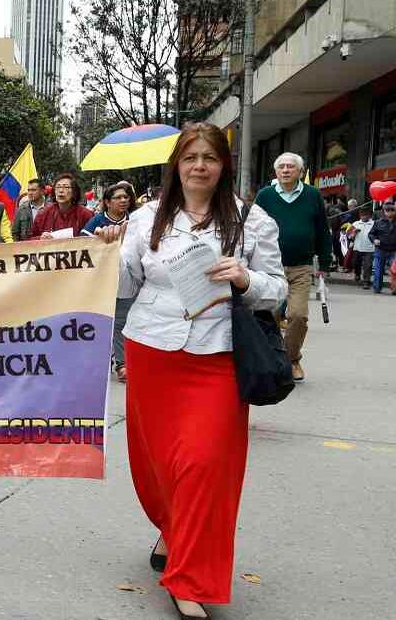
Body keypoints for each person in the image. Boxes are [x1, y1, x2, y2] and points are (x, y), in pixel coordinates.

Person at [95, 122, 286, 620]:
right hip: (152, 352)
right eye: (190, 158)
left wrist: (246, 279)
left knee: (205, 465)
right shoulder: (145, 219)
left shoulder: (252, 219)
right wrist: (109, 253)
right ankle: (173, 529)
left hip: (218, 356)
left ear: (224, 165)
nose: (199, 166)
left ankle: (189, 579)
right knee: (158, 466)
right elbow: (125, 287)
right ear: (176, 166)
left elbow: (278, 288)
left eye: (209, 158)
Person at [254, 152, 332, 382]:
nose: (286, 170)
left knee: (298, 316)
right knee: (271, 317)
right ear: (276, 172)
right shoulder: (265, 196)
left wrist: (325, 262)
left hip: (301, 267)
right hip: (270, 266)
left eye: (291, 166)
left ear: (300, 171)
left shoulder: (312, 195)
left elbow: (322, 230)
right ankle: (272, 360)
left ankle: (291, 359)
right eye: (282, 167)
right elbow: (252, 227)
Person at [82, 181, 137, 383]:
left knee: (122, 322)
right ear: (106, 202)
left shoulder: (135, 221)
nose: (123, 201)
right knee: (100, 322)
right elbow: (84, 247)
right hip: (100, 281)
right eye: (118, 197)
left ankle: (122, 364)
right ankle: (98, 363)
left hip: (128, 280)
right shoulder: (95, 221)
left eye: (126, 197)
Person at [32, 174, 94, 239]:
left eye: (66, 187)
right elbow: (29, 240)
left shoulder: (86, 214)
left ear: (74, 192)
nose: (61, 191)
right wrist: (40, 238)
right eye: (58, 187)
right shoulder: (43, 213)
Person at [368, 202, 396, 294]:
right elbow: (371, 234)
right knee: (378, 271)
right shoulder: (378, 222)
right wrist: (374, 240)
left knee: (394, 271)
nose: (390, 212)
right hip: (380, 250)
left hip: (393, 251)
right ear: (384, 211)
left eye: (392, 210)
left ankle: (394, 289)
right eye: (387, 210)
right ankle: (377, 287)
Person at [349, 207, 375, 288]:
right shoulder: (355, 224)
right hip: (358, 247)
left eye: (366, 215)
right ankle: (357, 274)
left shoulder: (374, 224)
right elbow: (349, 235)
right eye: (362, 215)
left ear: (369, 216)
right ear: (360, 216)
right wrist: (353, 233)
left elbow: (377, 234)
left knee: (368, 265)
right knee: (356, 263)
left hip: (369, 248)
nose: (364, 217)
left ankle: (366, 281)